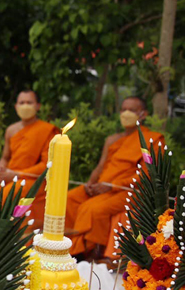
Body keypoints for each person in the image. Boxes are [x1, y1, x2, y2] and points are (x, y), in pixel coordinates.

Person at [66, 97, 164, 258]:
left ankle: (91, 251)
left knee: (92, 208)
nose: (126, 113)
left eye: (132, 110)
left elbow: (147, 175)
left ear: (143, 114)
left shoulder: (152, 139)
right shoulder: (112, 139)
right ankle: (67, 243)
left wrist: (113, 186)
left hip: (129, 190)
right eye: (123, 109)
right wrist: (91, 183)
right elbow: (101, 166)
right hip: (103, 187)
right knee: (70, 198)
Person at [0, 90, 59, 233]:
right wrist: (1, 169)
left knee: (7, 193)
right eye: (22, 103)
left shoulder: (47, 131)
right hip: (9, 174)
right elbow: (5, 157)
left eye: (29, 102)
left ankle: (2, 235)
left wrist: (16, 175)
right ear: (16, 106)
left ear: (38, 106)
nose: (25, 106)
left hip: (31, 178)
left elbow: (46, 166)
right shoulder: (11, 130)